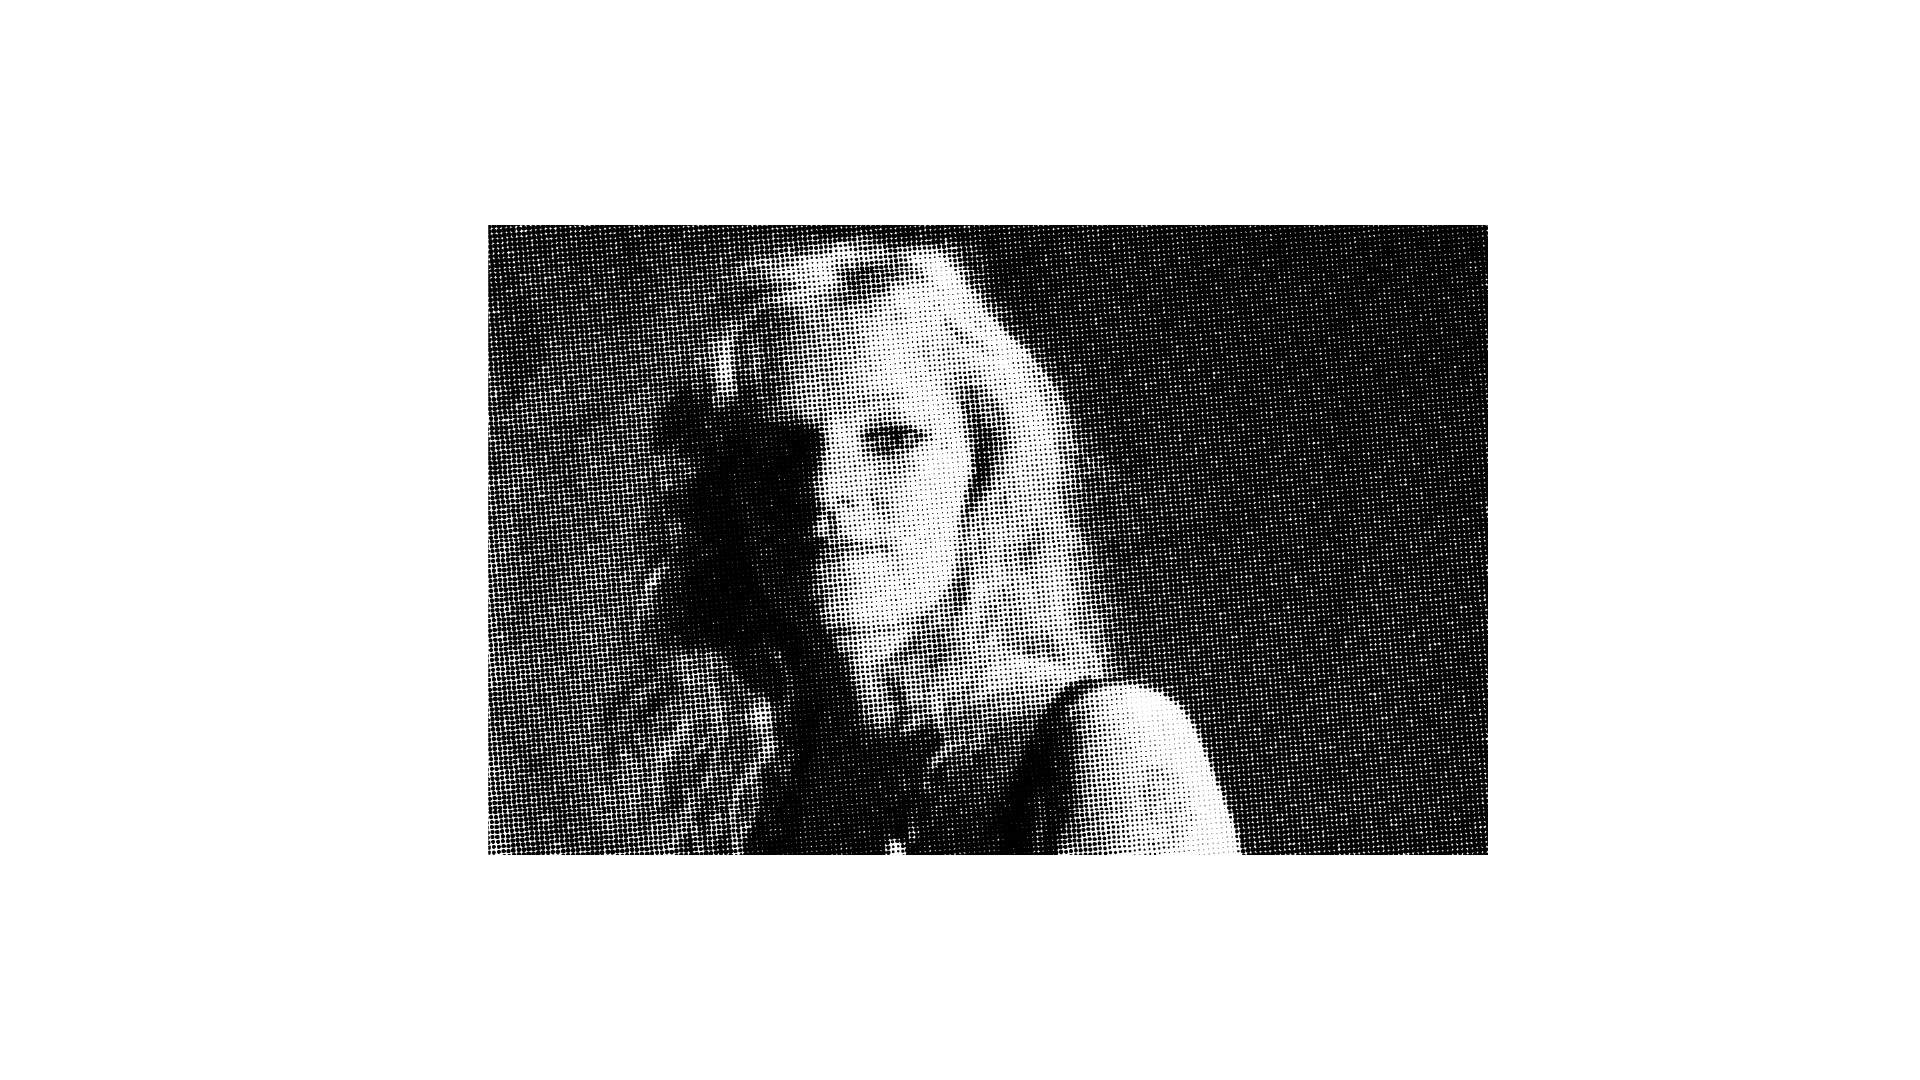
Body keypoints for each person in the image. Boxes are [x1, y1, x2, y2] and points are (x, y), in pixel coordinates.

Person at [501, 239, 1238, 854]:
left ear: (987, 475)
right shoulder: (748, 792)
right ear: (725, 497)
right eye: (781, 449)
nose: (825, 489)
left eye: (894, 440)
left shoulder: (1110, 748)